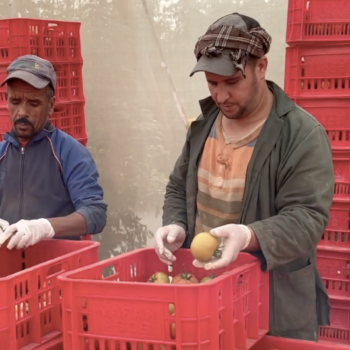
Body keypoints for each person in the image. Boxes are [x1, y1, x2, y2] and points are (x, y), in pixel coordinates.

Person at [154, 13, 335, 341]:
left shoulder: (301, 135)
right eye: (212, 83)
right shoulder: (204, 125)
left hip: (272, 308)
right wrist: (176, 223)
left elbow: (307, 220)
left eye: (232, 82)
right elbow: (179, 186)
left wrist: (249, 236)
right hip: (209, 298)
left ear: (261, 68)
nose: (221, 95)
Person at [0, 54, 107, 249]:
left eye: (33, 103)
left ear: (50, 105)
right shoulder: (2, 154)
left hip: (57, 269)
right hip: (9, 270)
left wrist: (45, 227)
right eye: (15, 101)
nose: (22, 112)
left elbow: (96, 213)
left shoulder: (70, 153)